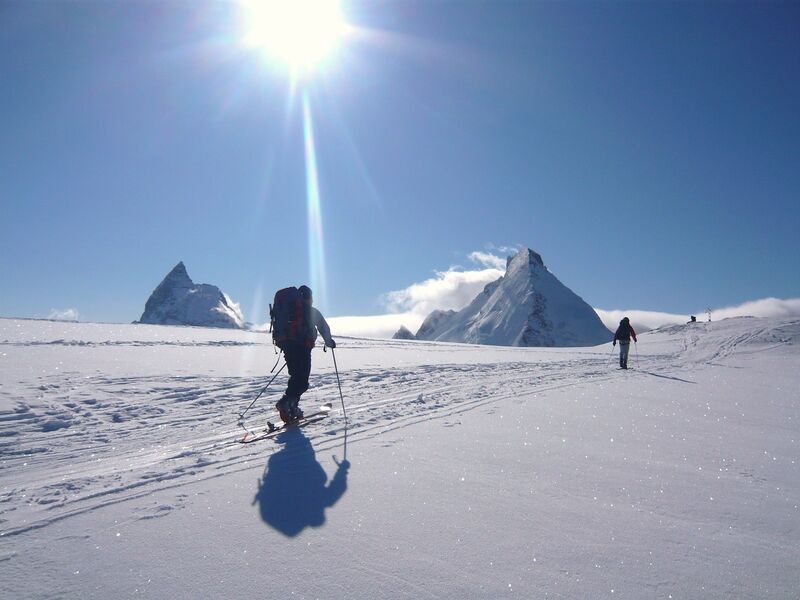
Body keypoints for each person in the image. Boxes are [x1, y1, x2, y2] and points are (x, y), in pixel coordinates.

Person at [275, 285, 336, 423]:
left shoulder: (290, 310)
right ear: (309, 298)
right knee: (302, 381)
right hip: (302, 346)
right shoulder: (309, 311)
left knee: (296, 377)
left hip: (286, 344)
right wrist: (329, 342)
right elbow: (323, 327)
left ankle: (290, 406)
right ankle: (287, 403)